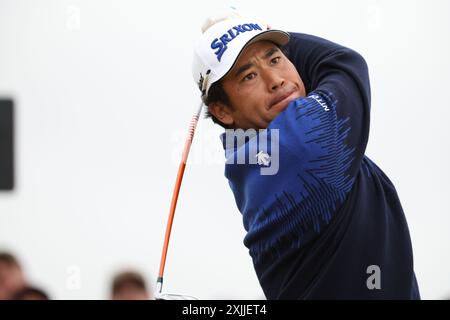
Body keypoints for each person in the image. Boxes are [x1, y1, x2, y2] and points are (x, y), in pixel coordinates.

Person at [192, 12, 420, 299]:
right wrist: (267, 37)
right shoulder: (303, 146)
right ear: (223, 111)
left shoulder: (247, 161)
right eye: (249, 75)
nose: (275, 80)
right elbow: (342, 62)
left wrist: (239, 36)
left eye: (275, 59)